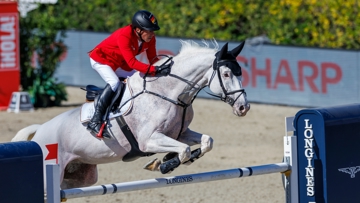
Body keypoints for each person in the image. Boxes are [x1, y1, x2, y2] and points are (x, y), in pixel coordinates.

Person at [87, 10, 171, 138]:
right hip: (101, 60)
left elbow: (153, 59)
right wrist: (155, 70)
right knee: (114, 82)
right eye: (149, 30)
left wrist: (163, 67)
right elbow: (132, 63)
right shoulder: (124, 35)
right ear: (138, 30)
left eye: (153, 30)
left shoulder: (149, 38)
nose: (152, 34)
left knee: (139, 79)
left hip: (119, 63)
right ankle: (95, 121)